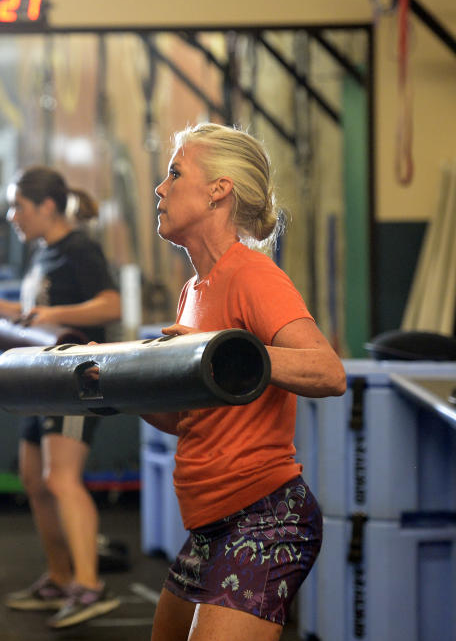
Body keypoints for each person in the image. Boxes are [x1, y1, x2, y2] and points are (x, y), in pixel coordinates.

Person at [145, 123, 346, 641]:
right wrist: (121, 389)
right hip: (211, 523)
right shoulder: (193, 291)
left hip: (268, 514)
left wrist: (237, 356)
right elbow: (192, 421)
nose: (160, 188)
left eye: (174, 173)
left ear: (219, 189)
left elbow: (327, 371)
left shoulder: (252, 275)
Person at [0, 166, 122, 629]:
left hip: (77, 381)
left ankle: (89, 585)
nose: (12, 216)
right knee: (34, 480)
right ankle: (58, 577)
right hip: (41, 380)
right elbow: (38, 315)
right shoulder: (43, 254)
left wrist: (55, 312)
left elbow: (111, 305)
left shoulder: (80, 248)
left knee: (61, 480)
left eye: (18, 206)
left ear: (46, 207)